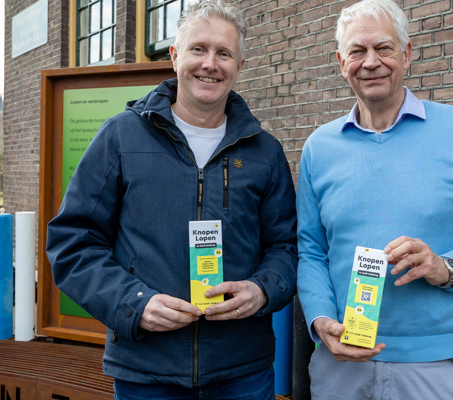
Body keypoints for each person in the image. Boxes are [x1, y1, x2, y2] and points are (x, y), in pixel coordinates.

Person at [46, 1, 297, 398]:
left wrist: (263, 289)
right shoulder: (120, 139)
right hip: (147, 371)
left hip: (243, 372)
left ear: (239, 66)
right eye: (198, 49)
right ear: (175, 56)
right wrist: (134, 303)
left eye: (224, 53)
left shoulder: (265, 152)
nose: (210, 64)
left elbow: (285, 246)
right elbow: (72, 243)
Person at [296, 0, 453, 398]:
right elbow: (311, 250)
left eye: (383, 48)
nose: (371, 62)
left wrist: (444, 266)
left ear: (407, 53)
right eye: (357, 51)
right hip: (340, 364)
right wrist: (319, 320)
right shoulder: (319, 148)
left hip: (435, 367)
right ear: (340, 60)